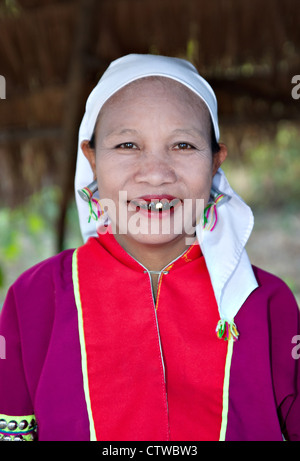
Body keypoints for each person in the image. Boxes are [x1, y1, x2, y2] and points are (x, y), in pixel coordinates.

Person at [0, 54, 299, 442]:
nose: (156, 172)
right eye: (127, 144)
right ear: (91, 158)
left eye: (183, 145)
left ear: (215, 162)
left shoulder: (268, 304)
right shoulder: (35, 299)